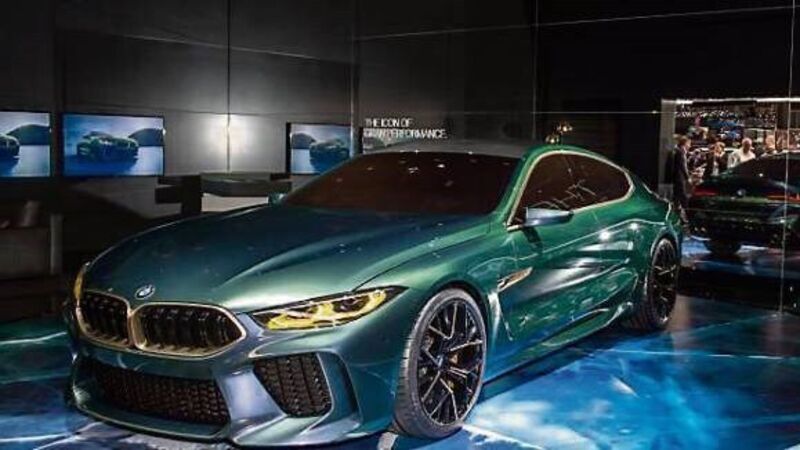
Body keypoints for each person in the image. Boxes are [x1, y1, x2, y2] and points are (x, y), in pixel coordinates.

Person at [673, 136, 692, 215]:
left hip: (677, 176)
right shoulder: (681, 152)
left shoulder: (679, 151)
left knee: (677, 195)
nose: (690, 146)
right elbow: (683, 166)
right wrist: (688, 177)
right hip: (679, 177)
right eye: (689, 143)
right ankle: (688, 213)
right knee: (683, 195)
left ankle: (677, 211)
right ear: (685, 143)